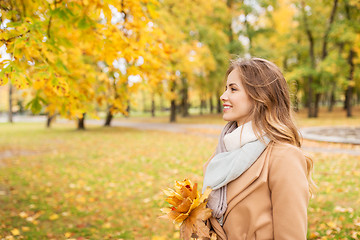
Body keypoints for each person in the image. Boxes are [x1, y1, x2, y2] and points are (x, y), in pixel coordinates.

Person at [202, 57, 314, 240]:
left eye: (233, 89)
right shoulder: (222, 153)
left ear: (260, 96)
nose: (223, 96)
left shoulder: (284, 157)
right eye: (225, 88)